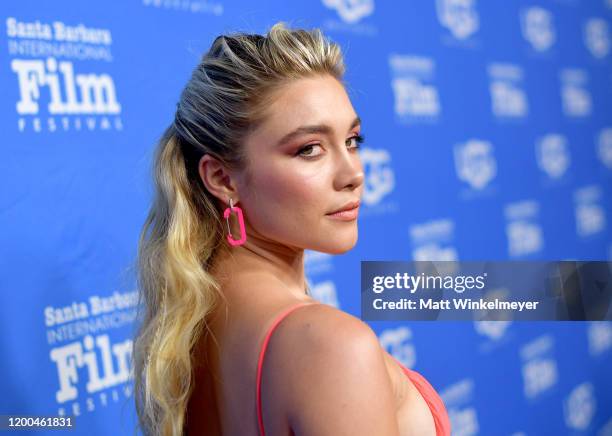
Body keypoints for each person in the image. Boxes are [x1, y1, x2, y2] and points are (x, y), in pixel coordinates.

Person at [132, 21, 451, 436]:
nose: (352, 172)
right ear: (222, 179)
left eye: (353, 140)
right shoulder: (330, 347)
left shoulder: (187, 332)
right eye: (309, 149)